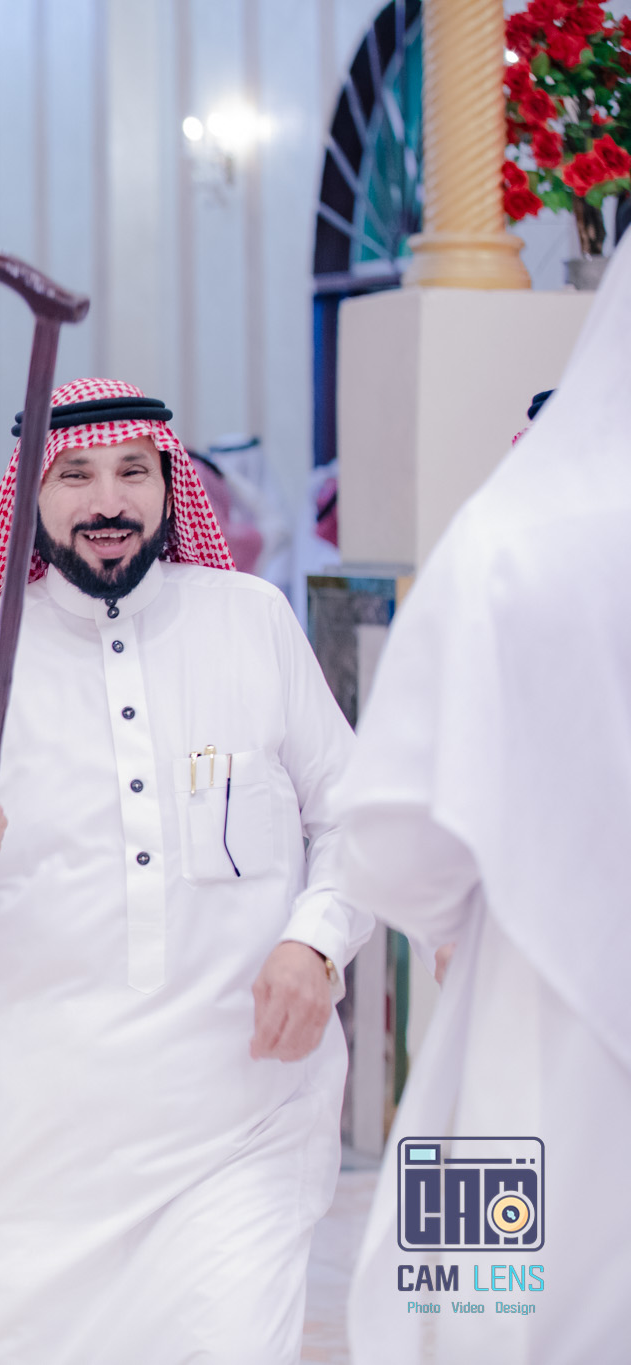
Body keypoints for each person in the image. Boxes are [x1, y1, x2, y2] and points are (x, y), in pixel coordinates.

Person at [0, 378, 372, 1363]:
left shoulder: (252, 621)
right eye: (75, 476)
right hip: (33, 1161)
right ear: (30, 496)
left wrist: (314, 943)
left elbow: (351, 813)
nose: (108, 501)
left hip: (241, 1127)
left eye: (132, 472)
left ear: (168, 485)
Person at [340, 260, 631, 1364]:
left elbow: (391, 838)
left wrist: (469, 907)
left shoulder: (516, 533)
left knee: (475, 1300)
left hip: (534, 1021)